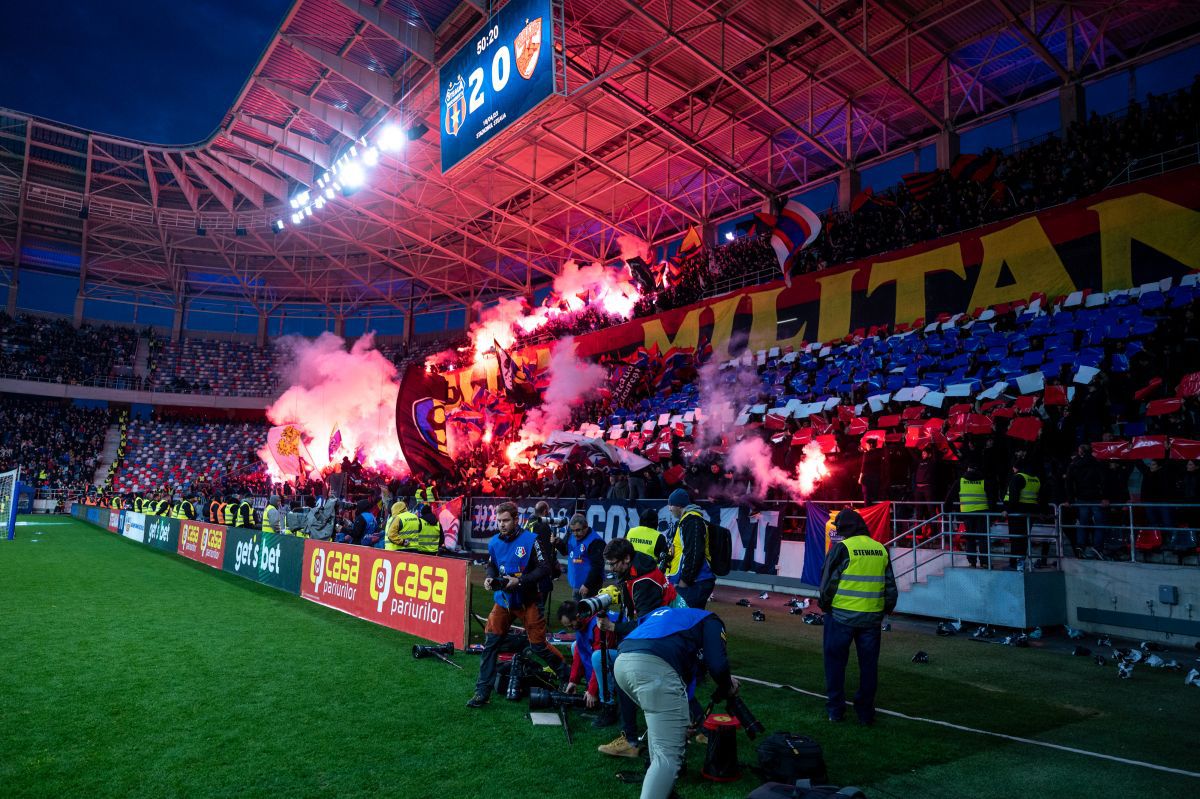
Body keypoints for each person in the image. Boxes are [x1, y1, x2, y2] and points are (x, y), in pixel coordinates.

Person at [615, 606, 738, 799]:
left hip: (622, 663)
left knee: (661, 741)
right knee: (668, 757)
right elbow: (718, 664)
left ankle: (664, 792)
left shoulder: (663, 614)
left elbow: (633, 628)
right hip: (654, 669)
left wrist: (683, 717)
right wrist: (727, 685)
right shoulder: (712, 621)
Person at [467, 501, 567, 708]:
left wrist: (519, 581)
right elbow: (492, 565)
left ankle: (566, 675)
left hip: (529, 600)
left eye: (505, 520)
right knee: (491, 643)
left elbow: (545, 568)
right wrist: (489, 577)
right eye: (499, 520)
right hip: (503, 601)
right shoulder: (494, 542)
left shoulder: (532, 540)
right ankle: (481, 692)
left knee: (538, 646)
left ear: (516, 520)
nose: (501, 524)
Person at [598, 537, 679, 760]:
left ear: (626, 558)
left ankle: (631, 741)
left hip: (664, 633)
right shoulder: (637, 568)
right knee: (674, 678)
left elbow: (646, 623)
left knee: (624, 670)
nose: (612, 569)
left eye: (614, 564)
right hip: (669, 629)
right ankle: (698, 726)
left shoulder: (643, 581)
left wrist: (614, 626)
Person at [818, 509, 897, 725]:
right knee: (869, 667)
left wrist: (825, 606)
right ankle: (865, 713)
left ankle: (836, 710)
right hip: (871, 619)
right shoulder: (880, 549)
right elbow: (890, 585)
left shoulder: (842, 548)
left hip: (841, 617)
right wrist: (885, 610)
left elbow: (827, 582)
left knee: (835, 665)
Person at [558, 596, 621, 728]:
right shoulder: (583, 622)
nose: (570, 628)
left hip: (626, 656)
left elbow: (602, 658)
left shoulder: (599, 624)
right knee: (575, 645)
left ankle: (608, 705)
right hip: (613, 656)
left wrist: (592, 690)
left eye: (570, 625)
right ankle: (599, 692)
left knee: (598, 657)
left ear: (578, 616)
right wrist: (573, 681)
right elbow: (580, 652)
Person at [665, 489, 715, 609]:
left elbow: (694, 553)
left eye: (670, 504)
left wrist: (684, 581)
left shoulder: (692, 520)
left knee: (685, 619)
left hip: (696, 581)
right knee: (687, 620)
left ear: (678, 505)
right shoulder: (687, 520)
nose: (669, 508)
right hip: (695, 581)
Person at [943, 465, 991, 568]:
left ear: (967, 470)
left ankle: (972, 562)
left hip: (967, 513)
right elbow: (992, 497)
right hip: (983, 512)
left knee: (970, 538)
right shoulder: (984, 481)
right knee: (983, 537)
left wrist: (946, 509)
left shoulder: (960, 481)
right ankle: (984, 562)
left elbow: (950, 496)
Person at [555, 513, 604, 599]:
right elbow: (565, 551)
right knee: (576, 611)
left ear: (586, 527)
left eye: (578, 530)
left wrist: (587, 585)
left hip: (590, 587)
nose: (575, 534)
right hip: (577, 585)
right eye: (572, 530)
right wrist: (558, 543)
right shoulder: (571, 534)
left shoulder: (596, 541)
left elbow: (597, 566)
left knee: (589, 611)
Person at [1003, 461, 1041, 569]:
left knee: (1016, 538)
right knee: (1024, 538)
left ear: (1016, 468)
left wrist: (1007, 510)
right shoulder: (1035, 479)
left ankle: (1013, 563)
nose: (1013, 471)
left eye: (1013, 469)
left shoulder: (1018, 477)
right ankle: (1021, 562)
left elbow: (1014, 497)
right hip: (1031, 512)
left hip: (1017, 512)